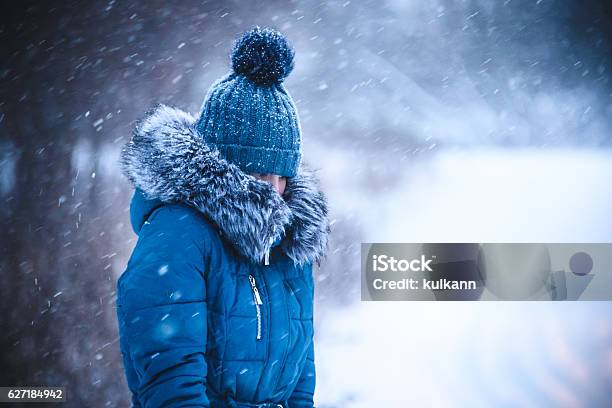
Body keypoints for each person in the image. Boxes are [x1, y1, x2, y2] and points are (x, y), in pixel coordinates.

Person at [116, 26, 330, 408]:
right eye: (259, 174)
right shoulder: (178, 236)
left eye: (281, 176)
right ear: (224, 166)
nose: (273, 190)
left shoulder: (288, 241)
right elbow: (169, 378)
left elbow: (300, 373)